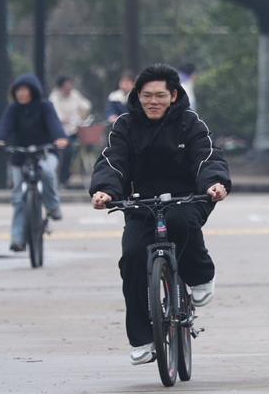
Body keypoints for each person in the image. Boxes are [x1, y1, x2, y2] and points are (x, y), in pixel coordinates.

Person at [89, 64, 230, 365]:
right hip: (142, 202)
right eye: (147, 95)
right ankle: (142, 338)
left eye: (160, 95)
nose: (153, 101)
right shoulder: (125, 125)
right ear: (138, 96)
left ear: (173, 95)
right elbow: (113, 160)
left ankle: (200, 274)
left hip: (187, 197)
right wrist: (105, 190)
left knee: (181, 222)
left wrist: (214, 183)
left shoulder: (190, 122)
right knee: (132, 256)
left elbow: (206, 156)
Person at [0, 74, 68, 251]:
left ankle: (52, 205)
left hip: (45, 152)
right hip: (21, 155)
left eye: (24, 90)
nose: (20, 94)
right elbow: (4, 127)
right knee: (18, 197)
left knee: (47, 172)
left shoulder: (45, 106)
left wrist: (60, 138)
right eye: (17, 90)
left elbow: (55, 125)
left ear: (33, 91)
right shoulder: (13, 108)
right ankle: (17, 238)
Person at [48, 76, 92, 187]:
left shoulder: (74, 95)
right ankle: (63, 178)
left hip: (74, 129)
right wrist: (64, 119)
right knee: (69, 150)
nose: (69, 89)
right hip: (61, 131)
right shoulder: (54, 97)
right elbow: (56, 114)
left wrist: (82, 113)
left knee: (87, 143)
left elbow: (85, 104)